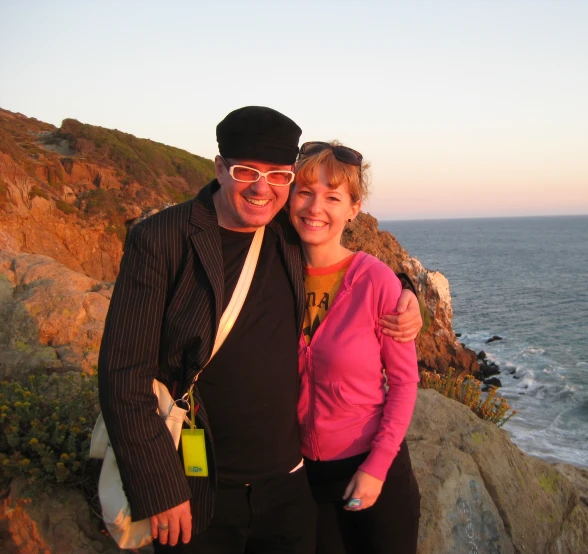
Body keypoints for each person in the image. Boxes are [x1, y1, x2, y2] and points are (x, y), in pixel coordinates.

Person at [97, 107, 422, 554]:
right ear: (219, 168)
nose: (260, 187)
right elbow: (122, 377)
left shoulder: (282, 234)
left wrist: (406, 292)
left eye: (277, 176)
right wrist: (160, 488)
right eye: (245, 170)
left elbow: (344, 260)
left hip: (289, 488)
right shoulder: (161, 239)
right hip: (200, 482)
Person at [289, 141, 421, 554]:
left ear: (353, 207)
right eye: (305, 191)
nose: (315, 208)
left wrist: (377, 468)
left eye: (333, 197)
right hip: (301, 475)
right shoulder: (273, 272)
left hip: (368, 469)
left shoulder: (377, 281)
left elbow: (403, 383)